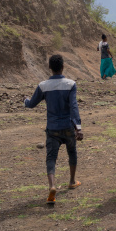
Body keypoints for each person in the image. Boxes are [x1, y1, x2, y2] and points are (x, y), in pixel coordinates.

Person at [24, 54, 83, 204]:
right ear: (63, 67)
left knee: (51, 158)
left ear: (49, 68)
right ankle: (72, 180)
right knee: (72, 152)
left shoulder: (43, 86)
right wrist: (78, 127)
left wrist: (25, 101)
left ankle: (52, 186)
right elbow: (74, 106)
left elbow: (31, 104)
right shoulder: (71, 84)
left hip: (52, 128)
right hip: (68, 126)